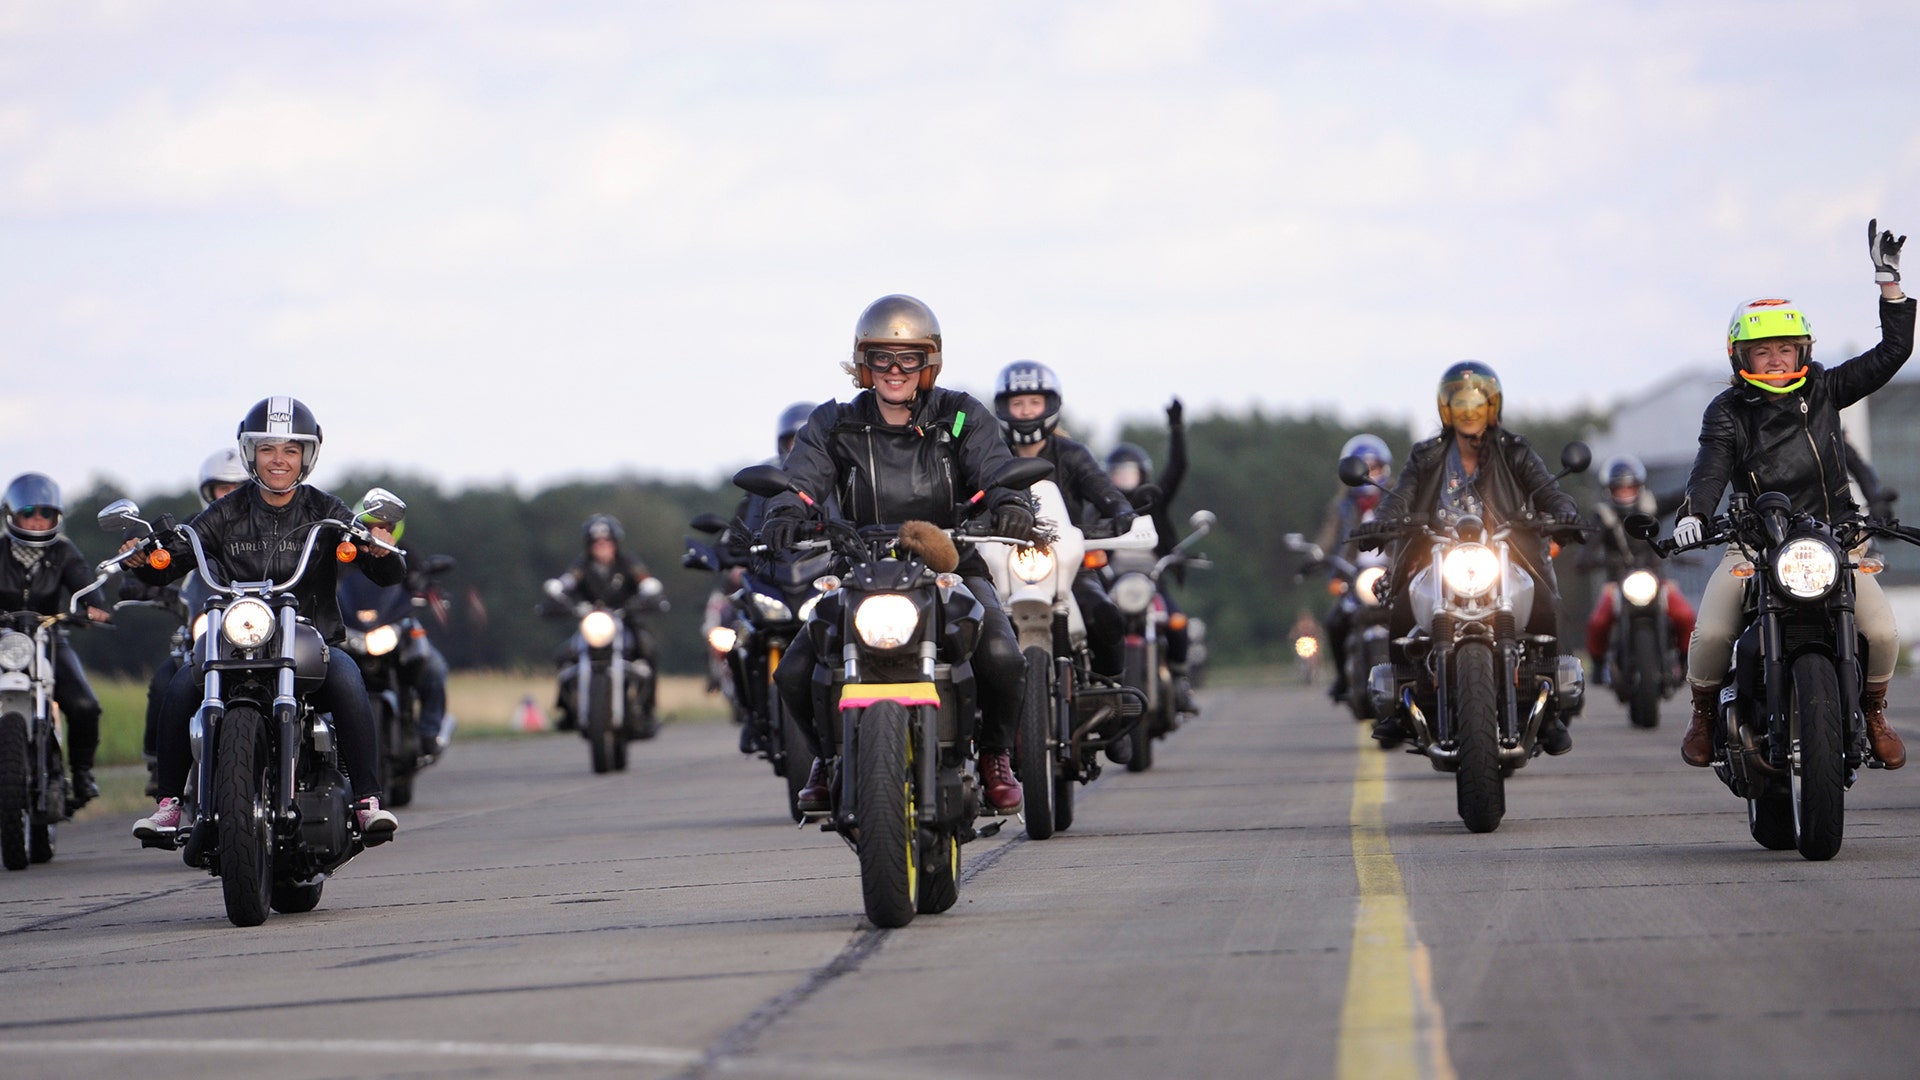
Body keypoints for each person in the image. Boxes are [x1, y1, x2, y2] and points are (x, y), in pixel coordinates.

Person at [764, 293, 1036, 813]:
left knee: (1003, 656)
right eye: (882, 357)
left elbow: (996, 469)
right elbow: (801, 480)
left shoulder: (960, 416)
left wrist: (1011, 503)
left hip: (951, 563)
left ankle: (995, 755)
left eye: (908, 358)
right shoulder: (833, 423)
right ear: (863, 363)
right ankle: (827, 756)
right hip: (859, 569)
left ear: (929, 362)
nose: (895, 370)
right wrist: (784, 511)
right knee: (793, 671)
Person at [1675, 221, 1913, 769]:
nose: (1777, 360)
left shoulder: (1826, 388)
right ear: (1741, 357)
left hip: (1836, 539)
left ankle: (1874, 711)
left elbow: (1893, 352)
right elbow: (1710, 469)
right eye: (1763, 351)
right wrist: (1694, 515)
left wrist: (1889, 285)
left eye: (1786, 348)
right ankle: (1704, 714)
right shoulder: (1727, 411)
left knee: (1880, 630)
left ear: (1803, 349)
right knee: (1712, 631)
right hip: (1755, 542)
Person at [125, 397, 402, 842]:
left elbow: (386, 571)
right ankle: (170, 804)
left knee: (350, 680)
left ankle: (367, 801)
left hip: (309, 638)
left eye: (291, 449)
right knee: (178, 685)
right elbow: (171, 560)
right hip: (234, 638)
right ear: (250, 453)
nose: (278, 460)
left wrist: (376, 546)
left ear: (307, 456)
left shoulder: (326, 510)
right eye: (267, 449)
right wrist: (143, 557)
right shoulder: (224, 512)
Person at [1360, 361, 1584, 754]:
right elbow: (1402, 497)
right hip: (1437, 552)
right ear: (1446, 409)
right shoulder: (1426, 455)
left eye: (1476, 403)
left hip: (1506, 551)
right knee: (1401, 609)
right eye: (1460, 403)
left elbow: (1548, 490)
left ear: (1492, 407)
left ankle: (1550, 712)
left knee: (1546, 604)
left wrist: (1564, 512)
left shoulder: (1515, 450)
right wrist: (1382, 521)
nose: (1468, 412)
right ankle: (1400, 702)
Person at [994, 359, 1137, 762]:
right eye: (1018, 403)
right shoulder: (992, 455)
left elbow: (1103, 489)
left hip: (1068, 566)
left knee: (1105, 614)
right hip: (1004, 565)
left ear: (1050, 406)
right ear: (1004, 408)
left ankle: (1111, 701)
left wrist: (1120, 510)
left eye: (1034, 402)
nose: (1026, 411)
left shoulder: (1071, 454)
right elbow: (968, 493)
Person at [125, 448, 249, 796]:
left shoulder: (269, 526)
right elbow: (167, 559)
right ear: (208, 493)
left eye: (238, 488)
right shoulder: (197, 529)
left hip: (257, 629)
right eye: (222, 489)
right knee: (166, 683)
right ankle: (159, 767)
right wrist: (144, 566)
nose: (229, 496)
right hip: (209, 627)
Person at [0, 473, 111, 814]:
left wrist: (94, 607)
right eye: (28, 512)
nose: (37, 520)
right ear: (12, 514)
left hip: (47, 636)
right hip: (4, 640)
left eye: (45, 513)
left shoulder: (63, 550)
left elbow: (85, 585)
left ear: (56, 516)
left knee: (84, 705)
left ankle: (81, 773)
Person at [1105, 398, 1199, 713]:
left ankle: (1181, 679)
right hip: (1114, 585)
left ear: (1142, 474)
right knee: (1097, 626)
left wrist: (1176, 427)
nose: (1123, 480)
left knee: (1177, 622)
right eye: (1117, 474)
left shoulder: (1154, 502)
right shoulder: (1102, 509)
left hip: (1153, 582)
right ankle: (1100, 685)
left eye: (1128, 473)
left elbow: (1177, 469)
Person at [545, 513, 661, 731]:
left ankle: (647, 709)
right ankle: (567, 710)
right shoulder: (581, 566)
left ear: (615, 543)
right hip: (592, 624)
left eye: (606, 541)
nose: (602, 546)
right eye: (596, 542)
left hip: (625, 620)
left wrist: (648, 592)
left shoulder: (627, 563)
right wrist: (558, 592)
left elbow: (644, 580)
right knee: (564, 655)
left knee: (648, 649)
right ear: (589, 545)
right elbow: (568, 581)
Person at [1581, 454, 1695, 671]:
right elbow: (1586, 553)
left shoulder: (1650, 506)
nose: (1625, 492)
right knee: (1597, 622)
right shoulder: (1602, 516)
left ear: (1639, 486)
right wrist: (1595, 561)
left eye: (1629, 487)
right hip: (1616, 584)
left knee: (1684, 615)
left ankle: (1686, 660)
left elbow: (1678, 499)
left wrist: (1698, 485)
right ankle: (1598, 665)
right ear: (1609, 490)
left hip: (1656, 580)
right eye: (1619, 488)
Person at [1313, 434, 1393, 704]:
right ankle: (1342, 678)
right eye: (1362, 468)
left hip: (1394, 571)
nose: (1368, 474)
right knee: (1335, 622)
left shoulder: (1396, 499)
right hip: (1353, 573)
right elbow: (1328, 535)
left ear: (1385, 468)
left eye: (1374, 468)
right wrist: (1316, 554)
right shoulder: (1342, 506)